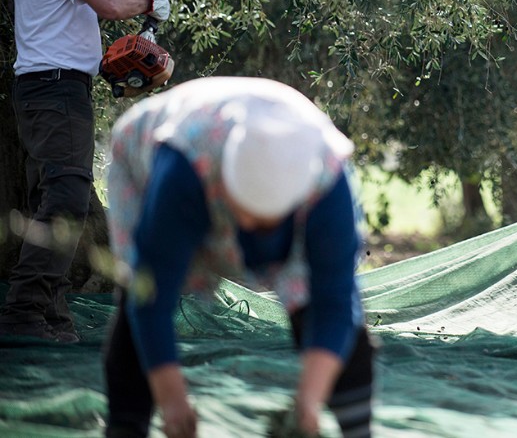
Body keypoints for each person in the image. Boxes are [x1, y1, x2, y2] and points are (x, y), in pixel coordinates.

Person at [101, 76, 374, 438]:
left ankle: (359, 430)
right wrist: (172, 399)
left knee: (328, 314)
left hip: (279, 199)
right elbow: (149, 297)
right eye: (242, 212)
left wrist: (307, 405)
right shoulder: (182, 171)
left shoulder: (327, 184)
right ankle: (125, 425)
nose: (245, 226)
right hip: (154, 156)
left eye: (262, 221)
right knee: (141, 291)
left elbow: (335, 303)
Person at [1, 0, 200, 343]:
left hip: (43, 91)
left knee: (51, 195)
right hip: (56, 90)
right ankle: (24, 310)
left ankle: (50, 315)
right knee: (67, 194)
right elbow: (109, 5)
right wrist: (148, 3)